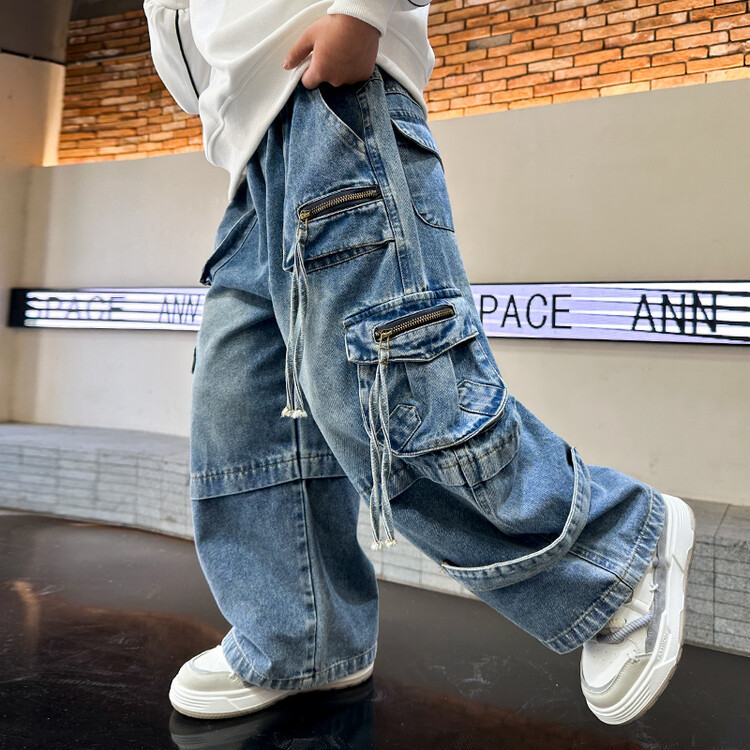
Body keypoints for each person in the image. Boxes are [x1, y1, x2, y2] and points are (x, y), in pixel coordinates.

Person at [143, 0, 696, 726]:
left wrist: (364, 11)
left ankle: (618, 549)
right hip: (249, 160)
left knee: (388, 399)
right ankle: (303, 637)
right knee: (241, 415)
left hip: (332, 101)